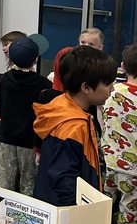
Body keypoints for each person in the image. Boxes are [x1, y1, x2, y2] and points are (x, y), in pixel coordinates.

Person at [34, 45, 116, 206]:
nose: (111, 89)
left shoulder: (60, 105)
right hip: (69, 210)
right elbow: (64, 178)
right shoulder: (73, 125)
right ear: (85, 88)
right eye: (107, 84)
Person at [0, 38, 49, 197]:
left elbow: (0, 107)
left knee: (3, 182)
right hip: (30, 141)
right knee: (29, 182)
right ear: (35, 59)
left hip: (7, 137)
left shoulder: (5, 79)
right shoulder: (43, 84)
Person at [102, 43, 137, 224]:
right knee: (129, 221)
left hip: (109, 164)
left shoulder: (112, 91)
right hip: (133, 173)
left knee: (101, 211)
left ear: (123, 66)